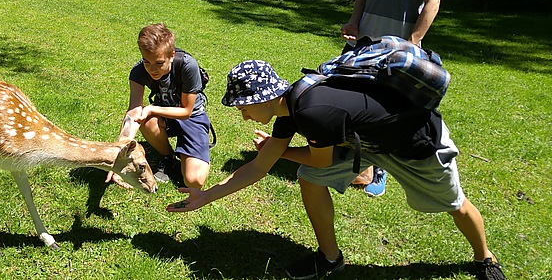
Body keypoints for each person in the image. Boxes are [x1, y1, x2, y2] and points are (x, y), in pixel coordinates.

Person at [167, 60, 506, 280]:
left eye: (244, 106)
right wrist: (205, 197)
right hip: (367, 143)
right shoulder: (289, 106)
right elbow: (259, 167)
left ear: (264, 97)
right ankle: (330, 259)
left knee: (455, 204)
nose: (243, 115)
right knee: (310, 179)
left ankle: (485, 258)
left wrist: (282, 152)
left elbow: (318, 159)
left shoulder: (313, 111)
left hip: (415, 143)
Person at [341, 0, 446, 198]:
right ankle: (357, 160)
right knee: (355, 97)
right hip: (365, 40)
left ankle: (380, 171)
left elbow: (433, 1)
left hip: (399, 46)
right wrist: (353, 20)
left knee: (388, 107)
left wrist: (413, 43)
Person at [112, 23, 211, 189]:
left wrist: (150, 108)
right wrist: (118, 157)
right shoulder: (138, 72)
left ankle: (191, 149)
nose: (152, 69)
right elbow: (134, 112)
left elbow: (186, 111)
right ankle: (168, 158)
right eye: (146, 62)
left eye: (159, 63)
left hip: (192, 116)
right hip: (164, 114)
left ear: (171, 55)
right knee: (145, 120)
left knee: (194, 181)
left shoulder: (187, 65)